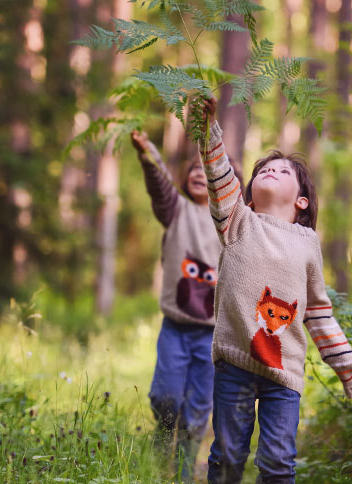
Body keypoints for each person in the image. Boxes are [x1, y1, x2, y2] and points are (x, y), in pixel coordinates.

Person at [194, 99, 352, 484]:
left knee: (277, 464)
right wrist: (208, 129)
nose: (270, 171)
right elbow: (219, 174)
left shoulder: (307, 243)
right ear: (249, 194)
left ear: (301, 200)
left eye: (282, 170)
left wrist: (345, 364)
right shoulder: (238, 221)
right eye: (264, 170)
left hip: (284, 374)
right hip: (235, 363)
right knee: (228, 457)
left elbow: (318, 312)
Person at [131, 129, 221, 483]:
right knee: (166, 398)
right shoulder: (176, 210)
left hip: (212, 334)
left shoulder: (230, 224)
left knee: (198, 409)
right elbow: (159, 184)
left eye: (207, 168)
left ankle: (183, 472)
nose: (200, 172)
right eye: (193, 168)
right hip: (176, 327)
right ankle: (160, 443)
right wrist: (147, 152)